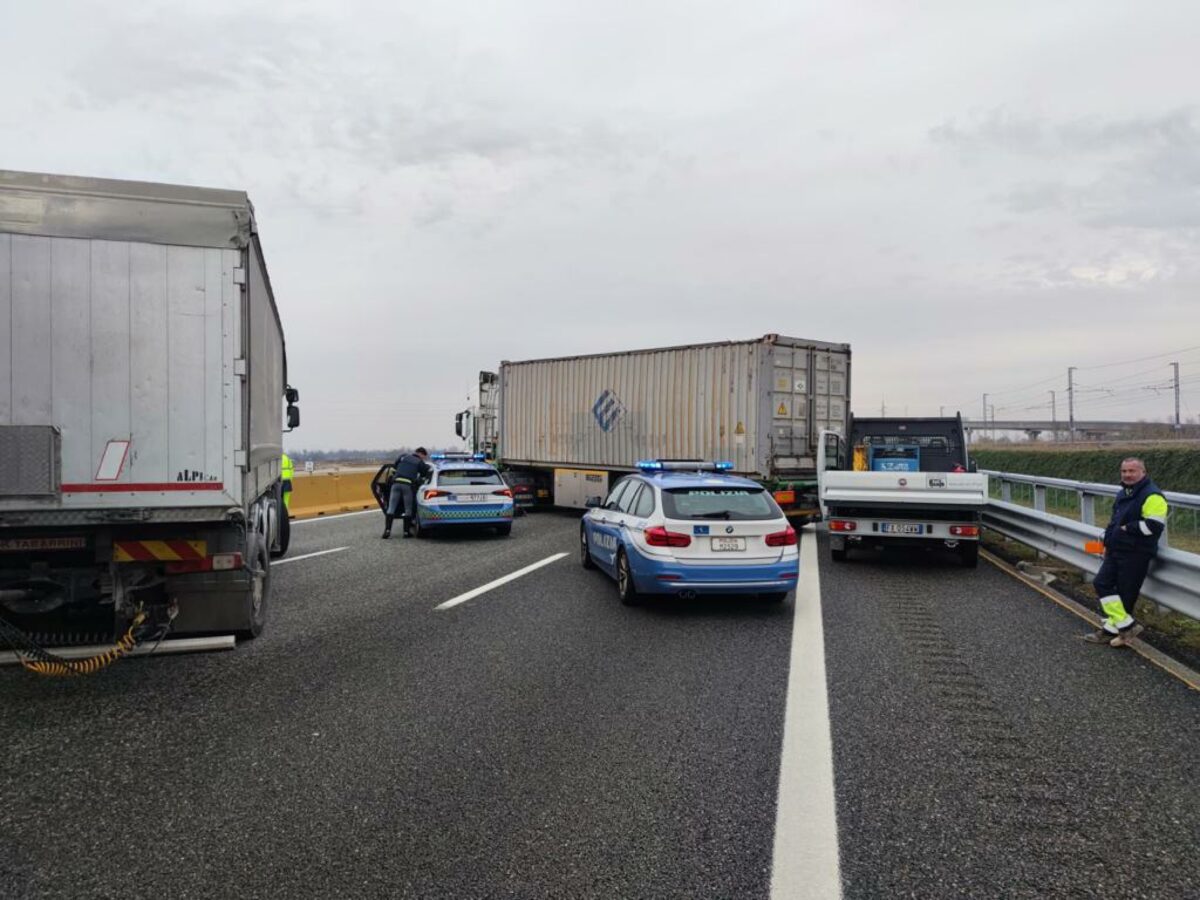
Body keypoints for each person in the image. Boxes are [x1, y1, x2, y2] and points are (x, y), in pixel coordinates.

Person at [1083, 458, 1169, 648]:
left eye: (1132, 471)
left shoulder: (1152, 496)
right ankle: (1128, 626)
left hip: (1136, 553)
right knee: (1102, 583)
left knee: (1125, 594)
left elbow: (1154, 526)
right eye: (1124, 471)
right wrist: (1108, 540)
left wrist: (1127, 529)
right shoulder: (1125, 492)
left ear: (1143, 472)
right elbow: (1115, 520)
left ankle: (1112, 631)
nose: (1127, 475)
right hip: (1116, 549)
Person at [382, 447, 432, 539]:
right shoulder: (419, 462)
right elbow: (424, 474)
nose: (423, 459)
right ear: (421, 454)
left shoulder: (403, 456)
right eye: (424, 457)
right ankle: (406, 532)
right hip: (407, 485)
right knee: (408, 509)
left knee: (391, 507)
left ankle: (387, 531)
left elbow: (395, 466)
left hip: (395, 484)